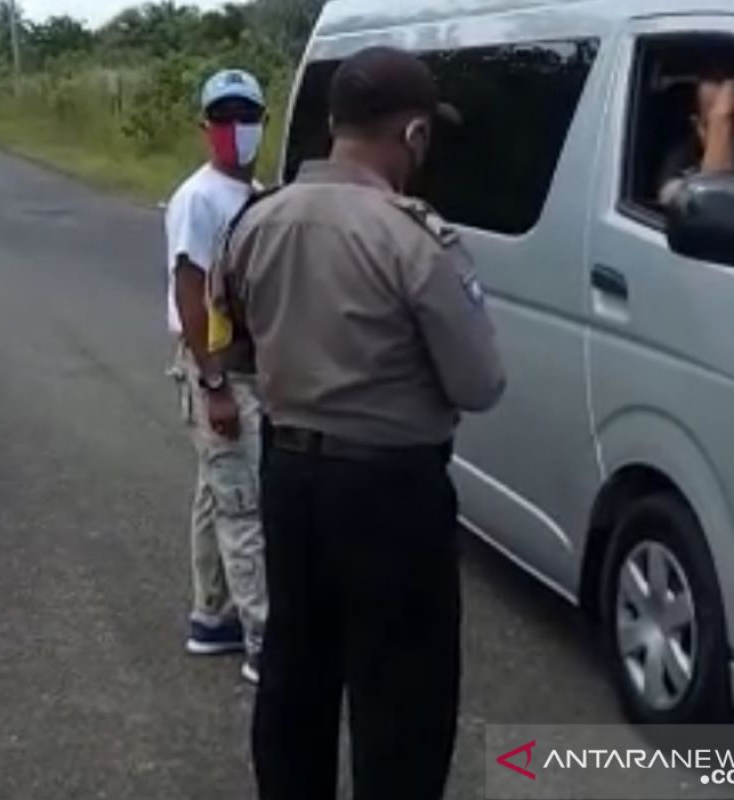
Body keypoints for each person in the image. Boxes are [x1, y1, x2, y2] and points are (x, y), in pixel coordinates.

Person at [207, 46, 507, 800]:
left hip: (290, 477)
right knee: (402, 694)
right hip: (392, 493)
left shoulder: (254, 223)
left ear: (334, 122)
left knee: (294, 673)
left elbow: (233, 347)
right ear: (412, 137)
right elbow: (480, 383)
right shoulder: (415, 238)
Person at [164, 68, 269, 684]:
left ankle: (213, 617)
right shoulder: (198, 199)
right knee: (243, 507)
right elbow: (188, 291)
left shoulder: (252, 191)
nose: (237, 129)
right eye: (225, 118)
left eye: (247, 116)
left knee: (217, 492)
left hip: (240, 366)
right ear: (206, 128)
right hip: (217, 367)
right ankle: (264, 642)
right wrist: (214, 384)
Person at [658, 58, 734, 206]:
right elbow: (714, 211)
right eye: (719, 127)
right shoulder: (678, 170)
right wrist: (721, 117)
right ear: (697, 127)